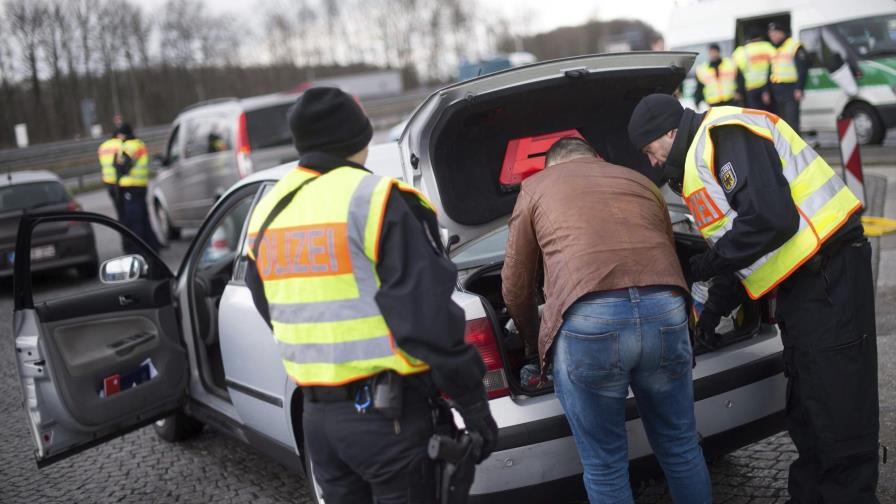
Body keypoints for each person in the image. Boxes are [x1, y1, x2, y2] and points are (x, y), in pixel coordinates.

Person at [243, 87, 497, 504]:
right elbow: (427, 318)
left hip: (318, 420)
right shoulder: (378, 200)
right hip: (388, 421)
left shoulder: (271, 210)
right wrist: (473, 405)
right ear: (360, 137)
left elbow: (267, 299)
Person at [628, 94, 879, 503]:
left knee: (838, 411)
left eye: (649, 151)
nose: (652, 163)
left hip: (830, 276)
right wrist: (709, 315)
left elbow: (771, 220)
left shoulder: (723, 134)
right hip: (803, 291)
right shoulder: (700, 166)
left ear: (669, 133)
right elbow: (743, 252)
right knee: (809, 410)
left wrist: (702, 264)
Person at [501, 136, 712, 504]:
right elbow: (667, 248)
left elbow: (516, 287)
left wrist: (534, 345)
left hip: (590, 319)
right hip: (665, 309)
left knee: (605, 466)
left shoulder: (535, 187)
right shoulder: (639, 181)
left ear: (551, 166)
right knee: (681, 447)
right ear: (596, 158)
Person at [114, 124, 160, 253]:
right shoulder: (139, 143)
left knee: (134, 220)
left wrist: (118, 166)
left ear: (123, 134)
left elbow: (123, 167)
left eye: (120, 134)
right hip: (141, 185)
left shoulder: (128, 146)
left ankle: (139, 251)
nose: (119, 137)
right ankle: (152, 247)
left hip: (130, 186)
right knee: (144, 218)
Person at [768, 22, 810, 131]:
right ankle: (786, 147)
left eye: (774, 34)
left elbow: (802, 68)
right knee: (782, 123)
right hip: (777, 90)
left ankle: (795, 148)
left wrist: (799, 88)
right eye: (771, 34)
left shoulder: (794, 46)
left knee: (792, 122)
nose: (772, 37)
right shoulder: (775, 49)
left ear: (781, 33)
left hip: (791, 89)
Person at [732, 29, 774, 111]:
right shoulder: (767, 46)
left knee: (755, 114)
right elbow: (775, 67)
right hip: (767, 88)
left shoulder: (741, 51)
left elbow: (736, 73)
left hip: (750, 89)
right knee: (769, 113)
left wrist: (738, 91)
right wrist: (766, 90)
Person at [694, 43, 739, 108]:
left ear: (719, 52)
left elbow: (739, 79)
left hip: (731, 101)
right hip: (713, 104)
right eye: (711, 52)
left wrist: (738, 92)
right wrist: (697, 101)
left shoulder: (730, 64)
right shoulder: (703, 69)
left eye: (715, 52)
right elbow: (699, 87)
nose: (713, 54)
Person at [97, 133, 124, 220]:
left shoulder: (102, 146)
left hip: (108, 181)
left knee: (118, 207)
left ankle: (122, 229)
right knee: (125, 207)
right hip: (119, 181)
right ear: (118, 136)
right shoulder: (121, 144)